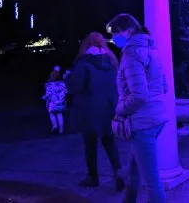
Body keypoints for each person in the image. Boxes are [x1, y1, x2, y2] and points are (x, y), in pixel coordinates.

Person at [106, 14, 168, 203]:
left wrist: (119, 110)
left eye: (115, 33)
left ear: (128, 31)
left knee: (152, 182)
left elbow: (139, 95)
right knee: (134, 171)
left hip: (143, 122)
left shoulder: (132, 53)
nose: (113, 38)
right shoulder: (150, 48)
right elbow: (163, 85)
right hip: (155, 117)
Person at [65, 32, 124, 190]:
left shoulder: (84, 62)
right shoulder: (112, 60)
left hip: (89, 110)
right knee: (109, 141)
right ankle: (118, 174)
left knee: (90, 144)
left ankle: (93, 177)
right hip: (109, 107)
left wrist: (67, 77)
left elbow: (74, 87)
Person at [43, 66, 67, 134]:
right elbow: (65, 91)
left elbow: (48, 94)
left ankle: (54, 126)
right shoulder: (62, 83)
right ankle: (61, 129)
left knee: (52, 114)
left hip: (51, 102)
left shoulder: (49, 84)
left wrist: (44, 97)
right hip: (60, 101)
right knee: (59, 114)